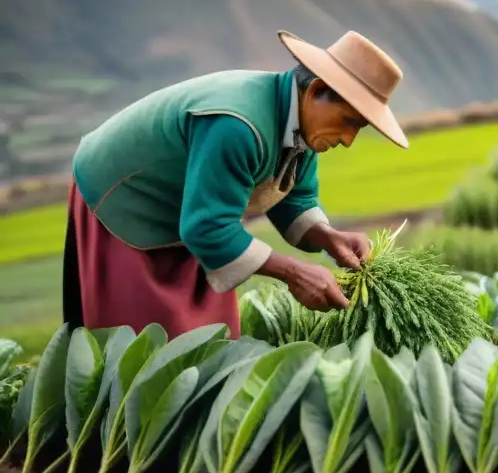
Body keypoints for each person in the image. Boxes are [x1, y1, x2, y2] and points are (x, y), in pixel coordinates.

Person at [62, 29, 409, 339]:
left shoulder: (302, 124)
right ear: (316, 90)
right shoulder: (237, 125)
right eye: (348, 121)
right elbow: (207, 228)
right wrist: (293, 272)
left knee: (210, 335)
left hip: (193, 209)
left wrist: (329, 238)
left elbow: (295, 197)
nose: (348, 139)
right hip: (127, 199)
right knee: (145, 339)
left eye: (358, 128)